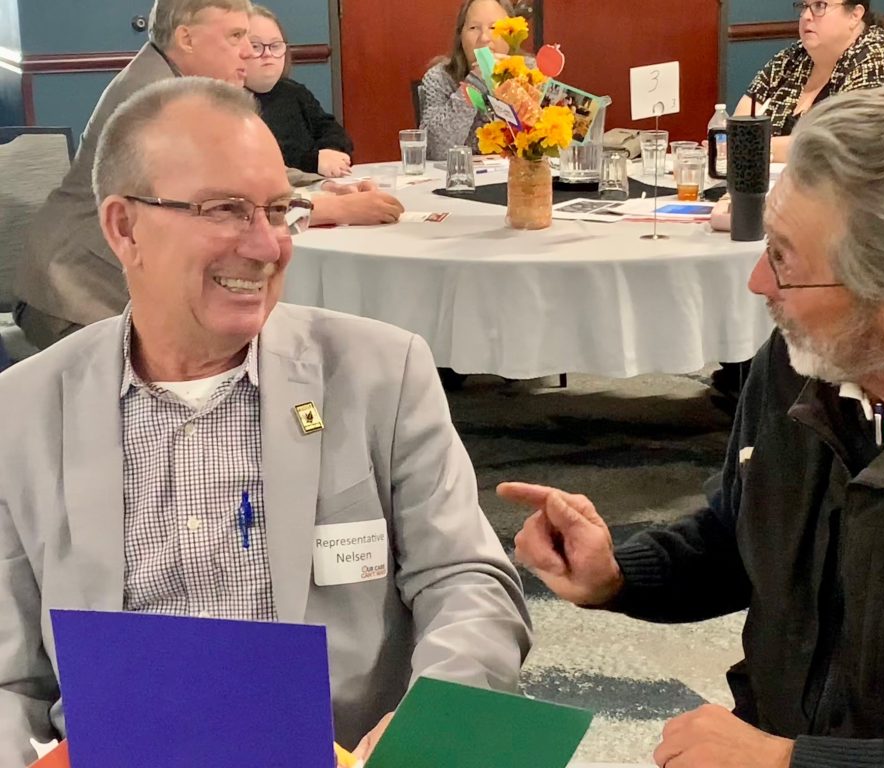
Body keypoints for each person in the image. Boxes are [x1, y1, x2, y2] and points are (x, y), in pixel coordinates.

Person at [0, 76, 531, 767]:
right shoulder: (25, 409)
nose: (266, 246)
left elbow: (468, 583)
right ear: (123, 228)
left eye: (279, 210)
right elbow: (10, 675)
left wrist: (427, 732)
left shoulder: (379, 373)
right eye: (225, 210)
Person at [502, 86, 884, 767]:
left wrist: (790, 761)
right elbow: (747, 533)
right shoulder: (800, 365)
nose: (757, 282)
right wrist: (619, 574)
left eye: (784, 260)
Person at [14, 0, 402, 352]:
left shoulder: (171, 82)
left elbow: (239, 177)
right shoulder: (162, 100)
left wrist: (315, 187)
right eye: (235, 36)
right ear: (186, 38)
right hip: (75, 296)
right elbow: (220, 202)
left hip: (93, 282)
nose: (249, 52)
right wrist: (338, 207)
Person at [736, 1, 884, 161]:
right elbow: (741, 121)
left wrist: (751, 148)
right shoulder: (794, 57)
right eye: (804, 6)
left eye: (819, 5)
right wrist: (745, 144)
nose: (806, 16)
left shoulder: (882, 56)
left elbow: (843, 141)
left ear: (855, 15)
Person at [245, 5, 355, 177]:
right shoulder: (231, 101)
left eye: (275, 46)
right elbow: (259, 158)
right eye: (256, 46)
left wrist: (330, 152)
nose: (268, 54)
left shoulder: (294, 92)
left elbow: (333, 131)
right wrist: (313, 161)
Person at [420, 0, 513, 161]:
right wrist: (474, 84)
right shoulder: (439, 79)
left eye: (494, 27)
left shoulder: (532, 74)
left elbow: (552, 150)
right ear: (460, 37)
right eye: (473, 28)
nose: (484, 38)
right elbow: (434, 152)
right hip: (460, 180)